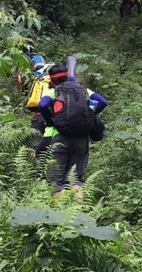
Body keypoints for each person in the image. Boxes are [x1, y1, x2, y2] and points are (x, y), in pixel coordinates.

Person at [38, 64, 108, 195]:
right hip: (82, 138)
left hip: (60, 137)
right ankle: (77, 210)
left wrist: (51, 121)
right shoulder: (83, 90)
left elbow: (42, 105)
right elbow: (103, 102)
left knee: (56, 181)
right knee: (76, 180)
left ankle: (60, 212)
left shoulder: (54, 92)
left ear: (52, 80)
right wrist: (90, 116)